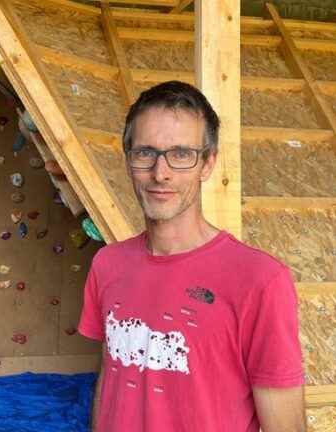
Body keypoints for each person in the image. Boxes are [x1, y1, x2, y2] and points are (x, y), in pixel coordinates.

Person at [78, 81, 305, 431]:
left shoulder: (259, 280)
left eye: (181, 154)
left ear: (208, 165)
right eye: (145, 153)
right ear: (128, 160)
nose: (160, 172)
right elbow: (111, 373)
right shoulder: (107, 264)